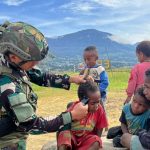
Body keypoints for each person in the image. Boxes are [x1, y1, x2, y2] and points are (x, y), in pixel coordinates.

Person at [0, 21, 88, 149]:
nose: (36, 64)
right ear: (14, 57)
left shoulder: (11, 61)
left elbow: (40, 76)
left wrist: (71, 79)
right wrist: (71, 116)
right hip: (7, 140)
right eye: (33, 61)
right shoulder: (8, 86)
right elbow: (32, 124)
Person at [57, 81, 108, 150]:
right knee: (64, 134)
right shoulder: (74, 108)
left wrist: (98, 141)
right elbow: (61, 125)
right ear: (83, 101)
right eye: (93, 103)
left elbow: (100, 127)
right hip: (72, 139)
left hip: (86, 140)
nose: (96, 106)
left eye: (98, 102)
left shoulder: (99, 109)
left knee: (96, 140)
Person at [121, 69, 150, 150]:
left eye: (147, 87)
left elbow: (148, 141)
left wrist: (141, 133)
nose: (145, 91)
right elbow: (123, 123)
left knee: (125, 138)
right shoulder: (126, 108)